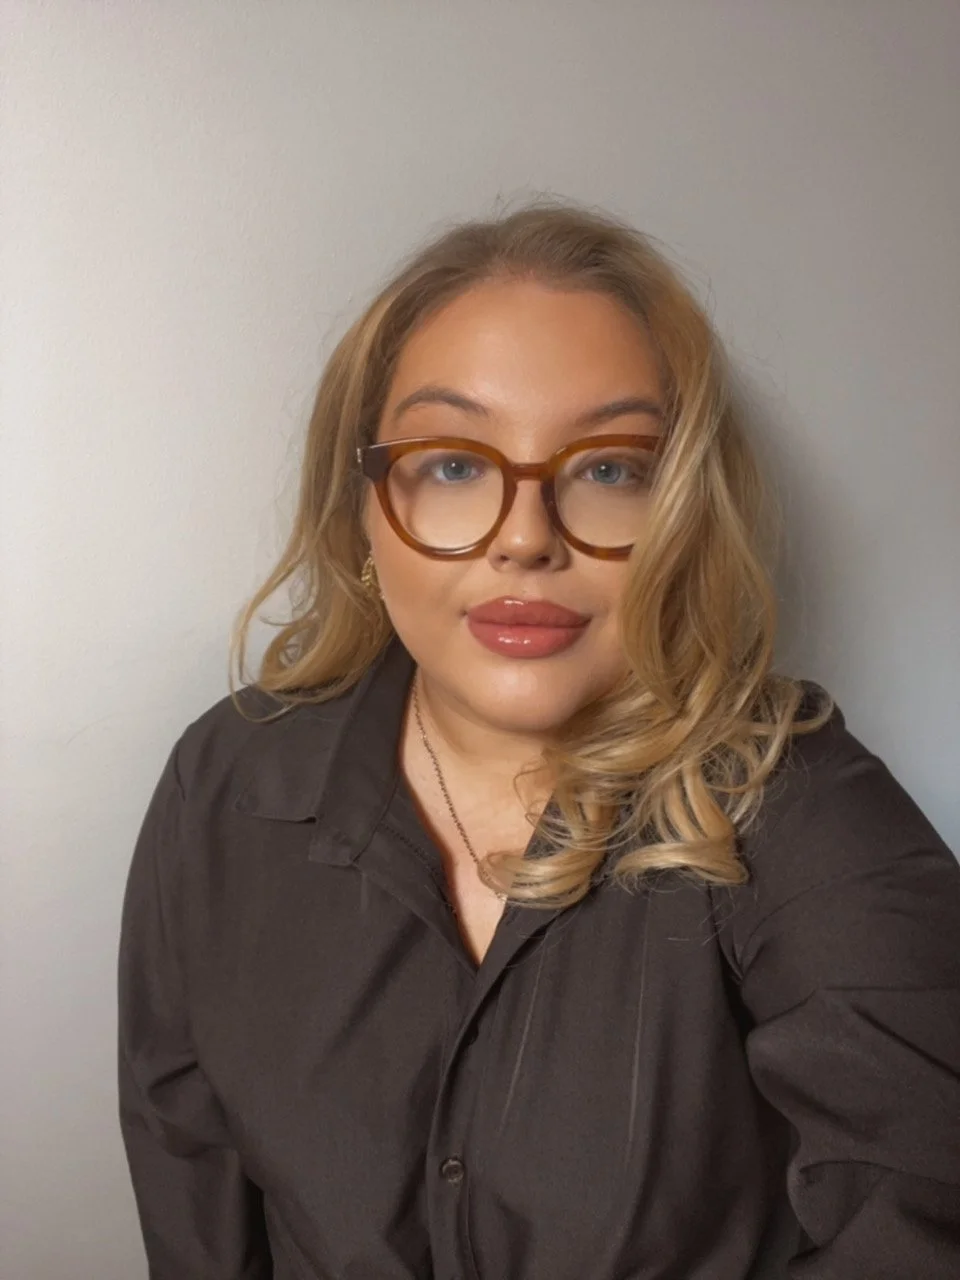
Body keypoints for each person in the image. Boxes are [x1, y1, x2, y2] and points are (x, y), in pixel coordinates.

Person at [117, 201, 960, 1279]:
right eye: (455, 463)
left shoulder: (797, 800)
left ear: (683, 516)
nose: (526, 535)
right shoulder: (225, 784)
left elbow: (927, 1207)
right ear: (362, 508)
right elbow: (193, 1193)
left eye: (610, 468)